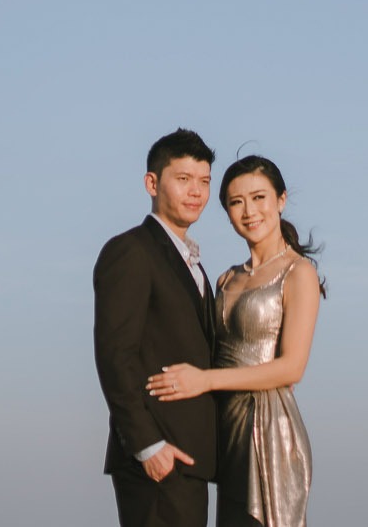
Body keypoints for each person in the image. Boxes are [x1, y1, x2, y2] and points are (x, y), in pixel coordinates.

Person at [147, 155, 323, 527]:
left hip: (268, 430)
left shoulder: (298, 272)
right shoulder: (226, 279)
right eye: (236, 202)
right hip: (225, 428)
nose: (249, 211)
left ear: (281, 200)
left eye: (259, 198)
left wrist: (205, 380)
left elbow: (292, 368)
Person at [94, 129, 219, 527]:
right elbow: (116, 355)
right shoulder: (130, 251)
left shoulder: (195, 266)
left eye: (204, 181)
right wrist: (147, 445)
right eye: (183, 179)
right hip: (156, 460)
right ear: (152, 183)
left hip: (190, 460)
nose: (196, 191)